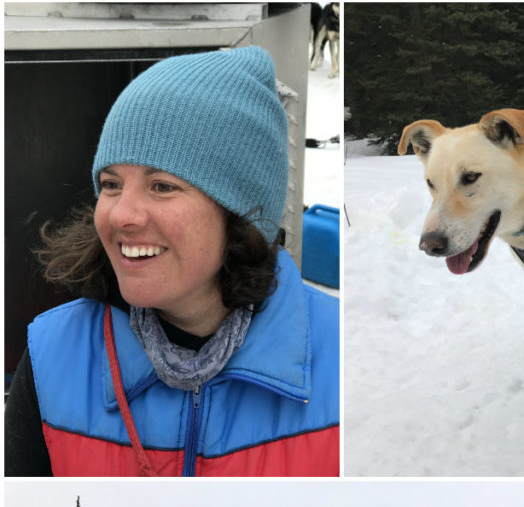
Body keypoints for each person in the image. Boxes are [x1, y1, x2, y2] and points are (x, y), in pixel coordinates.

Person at [5, 45, 339, 477]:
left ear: (239, 212)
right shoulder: (53, 354)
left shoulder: (340, 360)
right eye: (110, 184)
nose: (121, 214)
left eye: (161, 186)